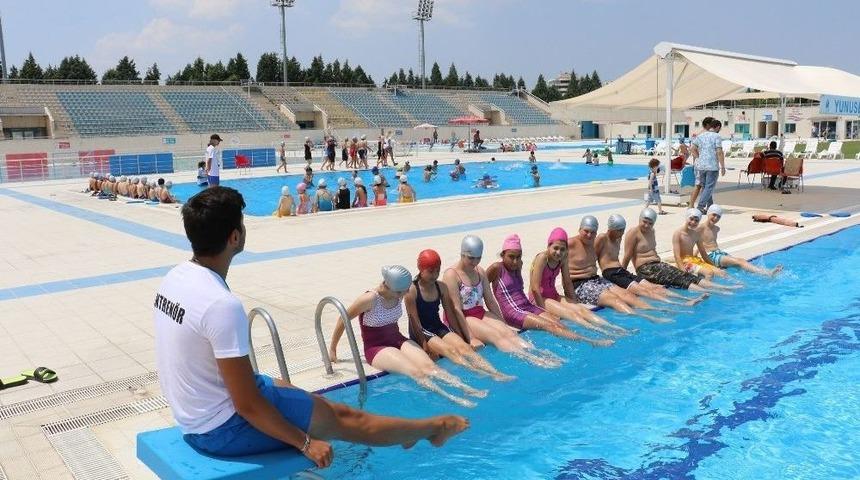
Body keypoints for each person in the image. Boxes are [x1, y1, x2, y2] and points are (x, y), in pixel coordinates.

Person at [155, 187, 468, 465]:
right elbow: (246, 404)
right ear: (235, 237)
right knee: (346, 419)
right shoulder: (221, 305)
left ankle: (390, 429)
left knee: (305, 397)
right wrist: (304, 442)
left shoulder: (175, 278)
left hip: (193, 415)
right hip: (220, 429)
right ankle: (431, 429)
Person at [329, 265, 486, 407]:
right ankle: (452, 398)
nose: (407, 293)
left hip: (398, 339)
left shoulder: (398, 292)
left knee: (430, 367)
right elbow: (343, 319)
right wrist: (333, 349)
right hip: (376, 347)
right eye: (403, 291)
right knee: (416, 372)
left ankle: (466, 389)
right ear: (394, 289)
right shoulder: (369, 299)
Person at [442, 235, 561, 368]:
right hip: (465, 316)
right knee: (497, 337)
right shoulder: (451, 275)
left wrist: (503, 324)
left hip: (480, 313)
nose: (475, 262)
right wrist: (470, 338)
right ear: (462, 253)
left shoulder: (479, 271)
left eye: (478, 258)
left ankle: (539, 353)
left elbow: (490, 301)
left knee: (508, 333)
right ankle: (532, 360)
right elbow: (456, 309)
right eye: (471, 258)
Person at [487, 233, 618, 344]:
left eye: (518, 256)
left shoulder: (519, 265)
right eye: (511, 257)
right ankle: (591, 342)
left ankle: (590, 338)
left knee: (557, 323)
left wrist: (541, 310)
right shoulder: (496, 268)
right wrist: (495, 317)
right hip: (512, 311)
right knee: (549, 326)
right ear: (502, 255)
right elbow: (483, 290)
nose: (515, 261)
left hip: (526, 306)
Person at [405, 249, 513, 382]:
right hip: (423, 331)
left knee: (465, 348)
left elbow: (450, 315)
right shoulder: (411, 290)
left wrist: (462, 336)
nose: (435, 275)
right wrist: (425, 347)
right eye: (430, 271)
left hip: (438, 327)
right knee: (450, 351)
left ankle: (495, 373)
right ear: (420, 269)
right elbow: (414, 322)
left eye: (437, 271)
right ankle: (473, 378)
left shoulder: (441, 287)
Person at [568, 217, 671, 322]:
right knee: (614, 300)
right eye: (586, 231)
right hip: (580, 285)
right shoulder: (570, 243)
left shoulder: (593, 242)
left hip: (596, 280)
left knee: (627, 294)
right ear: (579, 229)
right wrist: (569, 295)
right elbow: (554, 264)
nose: (589, 235)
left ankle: (658, 310)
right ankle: (650, 318)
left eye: (593, 232)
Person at [596, 214, 708, 306]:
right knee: (643, 291)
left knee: (655, 287)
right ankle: (679, 304)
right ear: (611, 228)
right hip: (611, 273)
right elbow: (593, 257)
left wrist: (623, 272)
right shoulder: (602, 238)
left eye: (622, 230)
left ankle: (685, 299)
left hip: (620, 271)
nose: (622, 233)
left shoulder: (618, 238)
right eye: (619, 230)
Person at [622, 208, 738, 294]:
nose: (647, 225)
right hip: (645, 269)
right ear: (640, 219)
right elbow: (627, 256)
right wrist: (622, 277)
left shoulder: (652, 231)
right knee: (678, 278)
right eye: (644, 221)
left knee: (687, 276)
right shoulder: (633, 233)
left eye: (650, 223)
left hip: (658, 264)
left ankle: (722, 288)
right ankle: (708, 292)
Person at [700, 205, 783, 276]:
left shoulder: (716, 229)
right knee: (739, 262)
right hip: (711, 255)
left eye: (718, 216)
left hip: (718, 253)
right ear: (708, 213)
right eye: (714, 215)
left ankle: (762, 273)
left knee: (741, 262)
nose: (715, 218)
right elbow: (695, 243)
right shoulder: (700, 228)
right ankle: (767, 273)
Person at [673, 208, 736, 281]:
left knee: (721, 272)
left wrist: (714, 266)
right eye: (691, 219)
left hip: (694, 260)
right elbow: (677, 256)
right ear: (686, 218)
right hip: (684, 262)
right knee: (709, 273)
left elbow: (703, 254)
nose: (693, 222)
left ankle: (738, 286)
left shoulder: (696, 234)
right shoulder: (678, 234)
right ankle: (706, 292)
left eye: (696, 221)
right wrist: (683, 271)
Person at [690, 119, 725, 212]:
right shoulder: (717, 136)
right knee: (709, 187)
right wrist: (723, 166)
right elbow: (719, 152)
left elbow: (692, 149)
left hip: (701, 166)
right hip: (712, 166)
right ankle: (700, 206)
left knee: (705, 187)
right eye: (719, 128)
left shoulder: (700, 136)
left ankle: (710, 206)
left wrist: (699, 157)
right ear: (717, 127)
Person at [688, 117, 713, 208]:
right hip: (701, 164)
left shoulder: (703, 135)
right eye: (712, 123)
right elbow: (692, 149)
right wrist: (700, 157)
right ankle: (691, 205)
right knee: (699, 185)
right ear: (707, 125)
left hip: (701, 163)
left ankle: (708, 205)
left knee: (705, 186)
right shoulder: (703, 135)